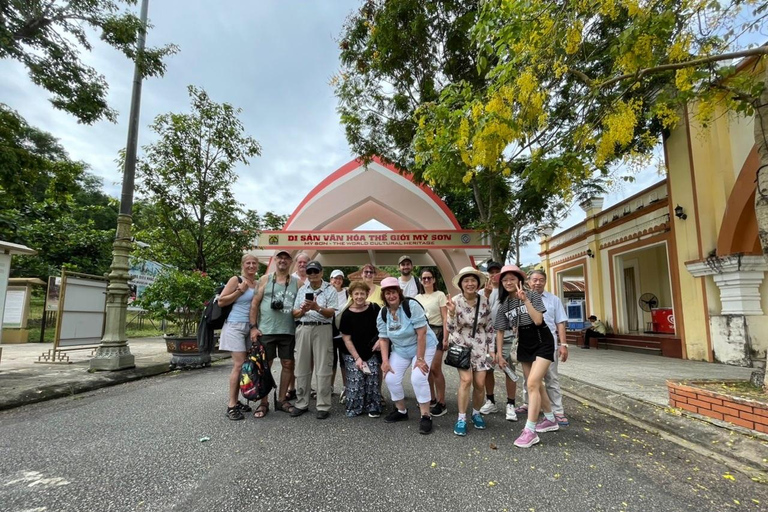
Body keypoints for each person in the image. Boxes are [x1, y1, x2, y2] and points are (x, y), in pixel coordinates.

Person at [495, 264, 559, 448]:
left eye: (512, 279)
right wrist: (500, 354)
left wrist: (525, 301)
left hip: (542, 340)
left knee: (532, 383)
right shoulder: (504, 305)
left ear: (520, 281)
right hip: (523, 341)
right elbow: (500, 331)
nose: (508, 282)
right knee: (536, 385)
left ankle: (530, 431)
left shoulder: (532, 295)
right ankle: (550, 419)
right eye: (505, 280)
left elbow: (539, 320)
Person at [377, 277, 438, 435]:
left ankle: (426, 415)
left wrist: (420, 358)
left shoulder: (411, 305)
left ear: (399, 293)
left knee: (418, 377)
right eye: (388, 293)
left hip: (423, 345)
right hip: (400, 349)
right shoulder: (383, 313)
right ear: (384, 296)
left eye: (394, 292)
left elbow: (422, 333)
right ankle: (401, 411)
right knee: (390, 377)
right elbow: (383, 338)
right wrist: (385, 362)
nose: (391, 296)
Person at [249, 250, 300, 417]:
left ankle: (281, 400)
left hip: (288, 330)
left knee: (287, 364)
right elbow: (255, 304)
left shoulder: (296, 282)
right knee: (265, 367)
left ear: (290, 261)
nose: (283, 261)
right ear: (275, 260)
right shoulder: (265, 279)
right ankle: (264, 403)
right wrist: (253, 327)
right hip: (266, 330)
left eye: (286, 258)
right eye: (280, 258)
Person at [445, 266, 495, 436]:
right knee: (466, 381)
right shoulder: (455, 301)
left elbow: (489, 327)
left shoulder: (484, 301)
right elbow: (451, 328)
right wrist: (451, 313)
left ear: (478, 283)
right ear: (461, 284)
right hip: (462, 345)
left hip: (481, 346)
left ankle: (476, 413)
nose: (470, 283)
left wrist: (492, 349)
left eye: (473, 280)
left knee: (480, 384)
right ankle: (461, 418)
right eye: (466, 280)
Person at [520, 269, 570, 426]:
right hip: (529, 344)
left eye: (541, 280)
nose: (537, 282)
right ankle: (528, 404)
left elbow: (560, 322)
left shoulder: (553, 300)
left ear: (545, 281)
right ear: (528, 282)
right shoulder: (522, 298)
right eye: (534, 280)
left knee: (551, 378)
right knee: (528, 378)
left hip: (548, 344)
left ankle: (557, 411)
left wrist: (563, 344)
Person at [291, 260, 338, 419]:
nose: (312, 275)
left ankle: (323, 405)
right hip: (303, 327)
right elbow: (295, 313)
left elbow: (331, 312)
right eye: (309, 272)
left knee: (323, 367)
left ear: (321, 273)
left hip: (322, 328)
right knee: (301, 367)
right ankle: (301, 402)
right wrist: (303, 309)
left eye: (315, 272)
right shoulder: (302, 289)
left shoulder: (330, 290)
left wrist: (317, 307)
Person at [218, 254, 259, 420]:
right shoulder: (236, 280)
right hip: (234, 326)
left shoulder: (257, 283)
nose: (251, 266)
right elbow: (221, 301)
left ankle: (238, 400)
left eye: (254, 263)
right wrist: (238, 292)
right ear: (243, 265)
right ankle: (231, 405)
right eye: (248, 263)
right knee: (239, 364)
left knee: (246, 365)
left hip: (249, 328)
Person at [338, 280, 382, 417]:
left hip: (371, 351)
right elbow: (346, 338)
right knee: (356, 381)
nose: (359, 297)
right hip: (352, 353)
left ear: (367, 294)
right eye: (356, 294)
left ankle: (373, 406)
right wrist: (357, 358)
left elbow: (383, 328)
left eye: (362, 293)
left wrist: (380, 340)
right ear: (351, 295)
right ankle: (355, 407)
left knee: (373, 379)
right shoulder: (346, 314)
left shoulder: (375, 309)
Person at [415, 268, 448, 416]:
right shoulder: (417, 297)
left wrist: (446, 337)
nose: (427, 280)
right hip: (424, 333)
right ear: (421, 281)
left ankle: (442, 401)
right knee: (426, 369)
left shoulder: (440, 295)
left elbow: (445, 317)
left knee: (435, 368)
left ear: (434, 280)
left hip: (439, 332)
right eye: (424, 278)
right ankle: (431, 397)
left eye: (429, 278)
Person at [479, 261, 504, 416]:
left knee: (508, 369)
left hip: (505, 335)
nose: (494, 274)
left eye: (497, 271)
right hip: (486, 336)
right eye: (491, 272)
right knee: (488, 369)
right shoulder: (481, 293)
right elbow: (480, 316)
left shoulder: (507, 290)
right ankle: (490, 400)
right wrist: (486, 296)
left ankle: (511, 403)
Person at [330, 269, 349, 401]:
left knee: (344, 360)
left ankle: (346, 387)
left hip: (344, 330)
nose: (337, 281)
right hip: (329, 329)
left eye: (340, 278)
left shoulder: (347, 292)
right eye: (335, 278)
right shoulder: (326, 292)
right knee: (331, 360)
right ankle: (329, 386)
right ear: (330, 279)